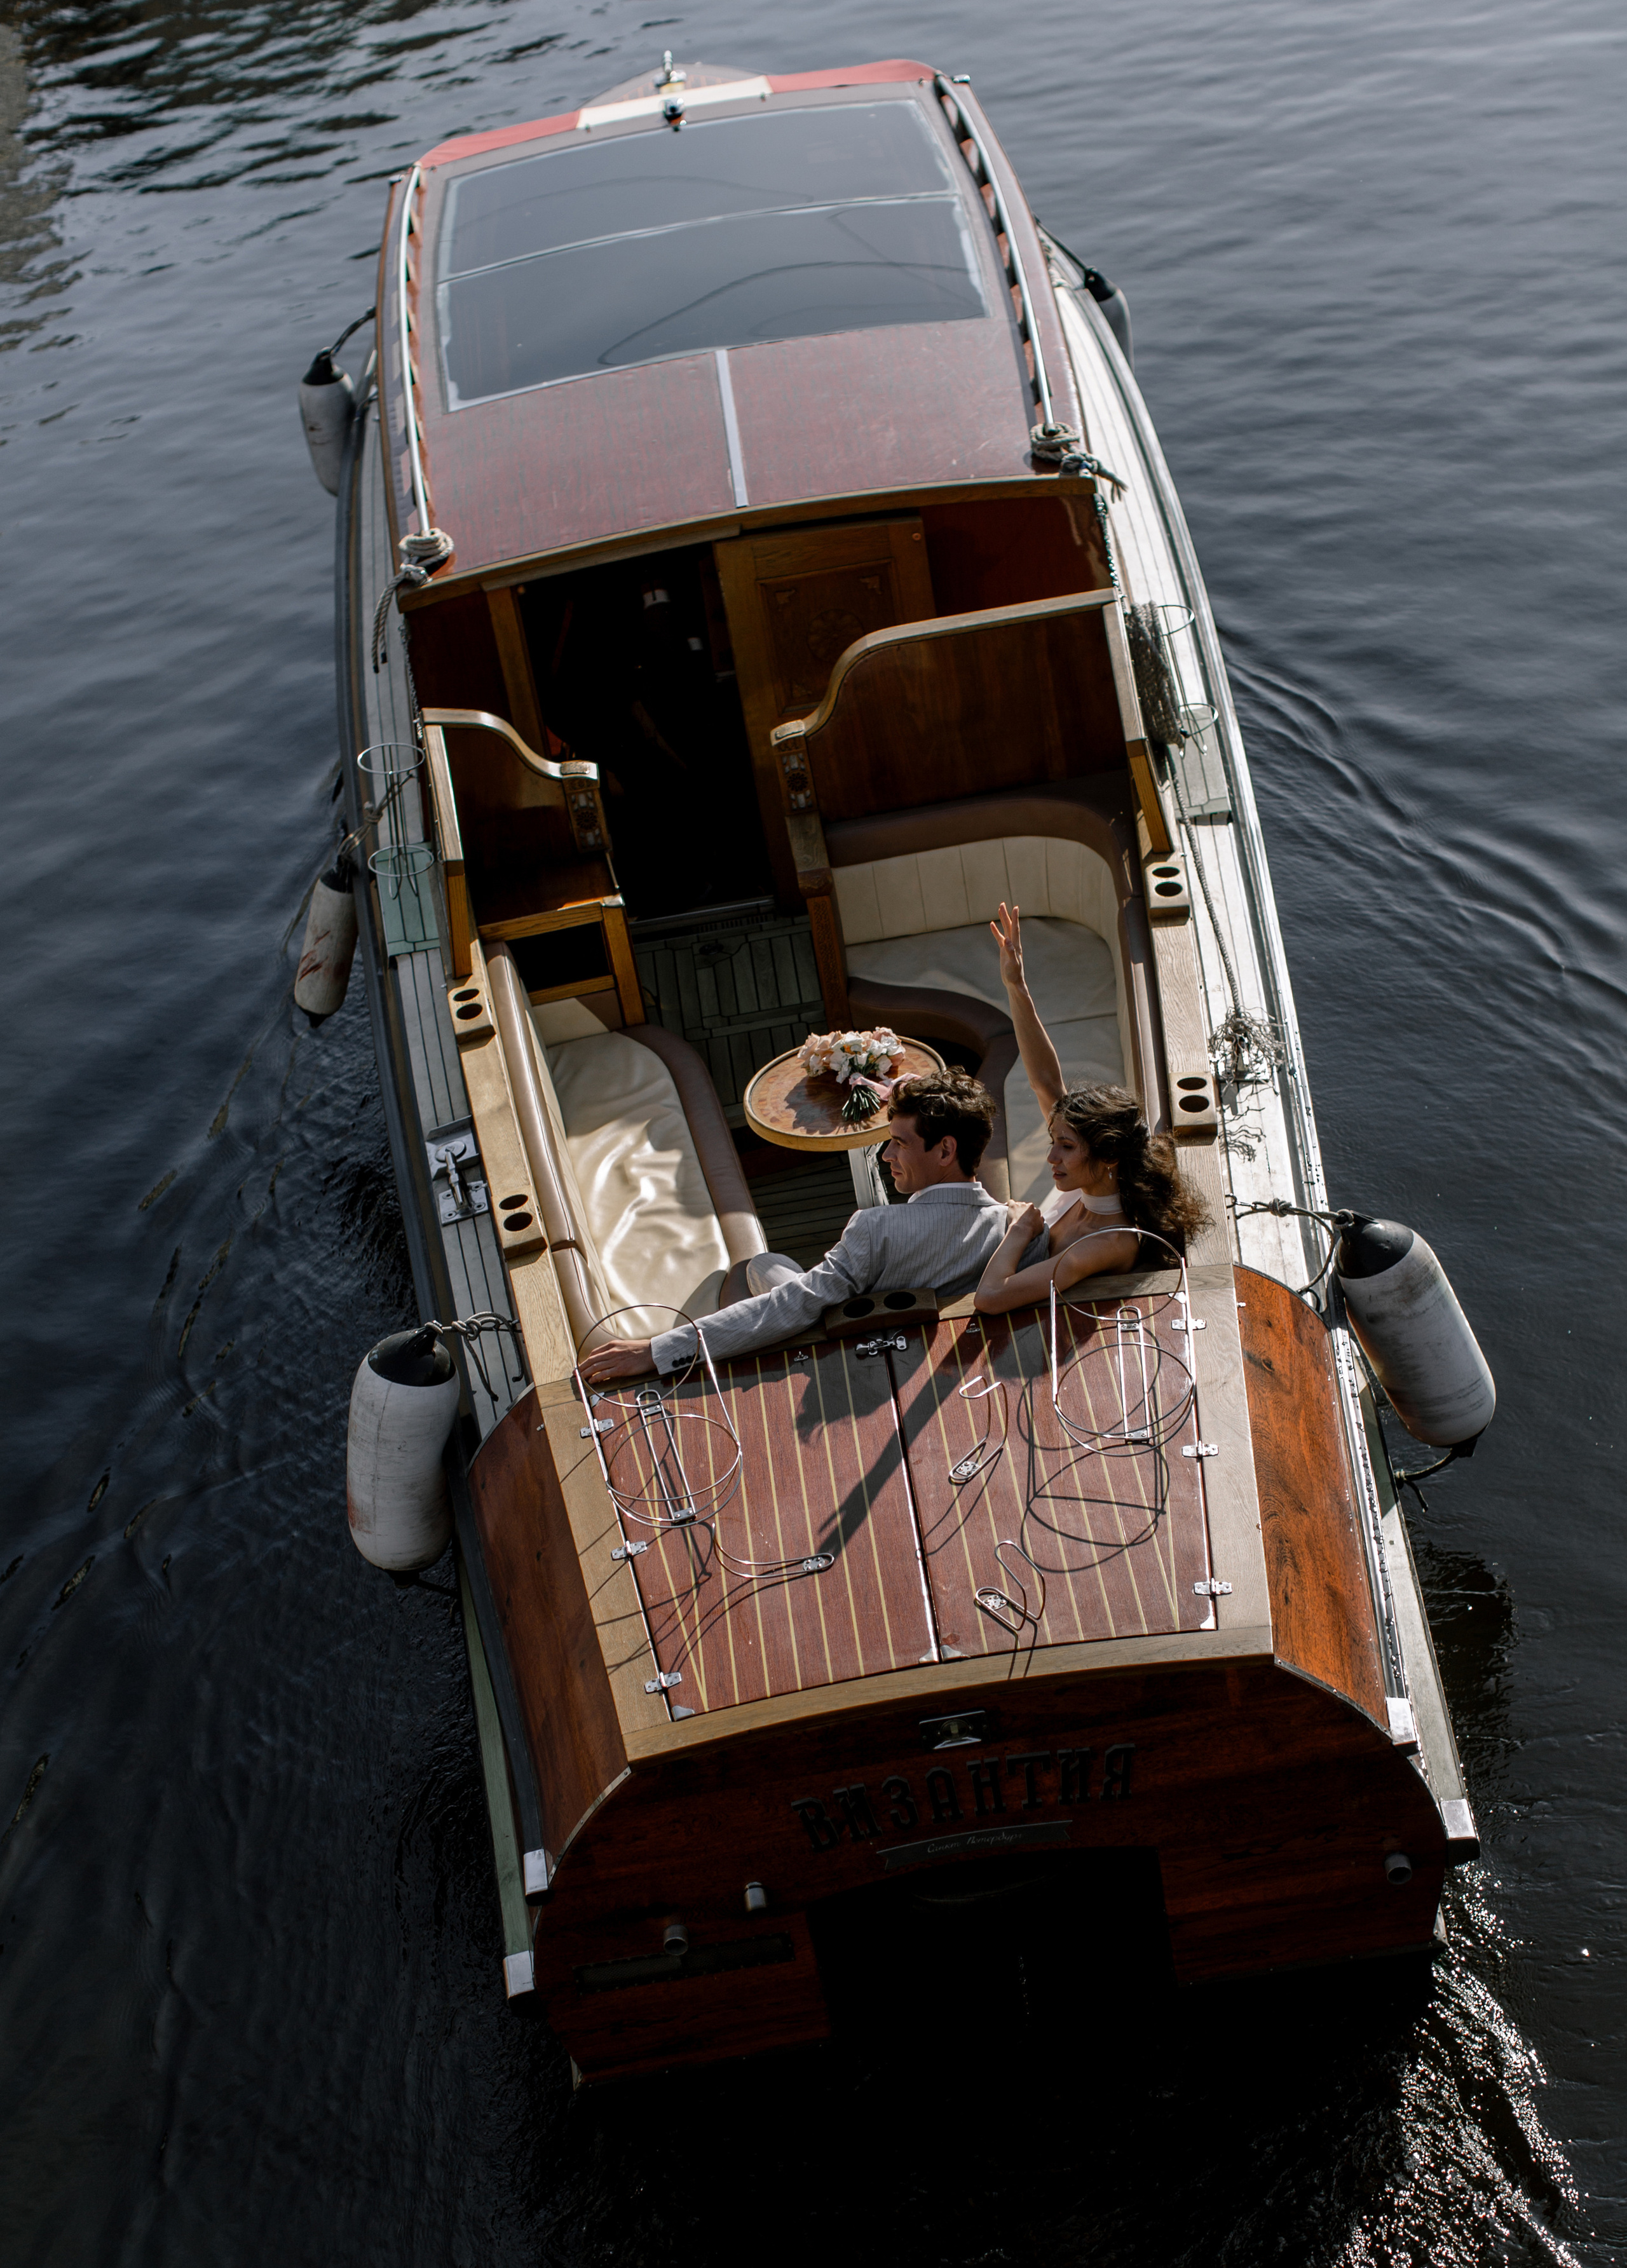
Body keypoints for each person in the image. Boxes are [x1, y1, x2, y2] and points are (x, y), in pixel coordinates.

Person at [579, 1068, 1048, 1382]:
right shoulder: (1016, 1230)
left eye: (899, 1144)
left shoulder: (875, 1229)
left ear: (946, 1151)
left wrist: (656, 1351)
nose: (886, 1156)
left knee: (763, 1264)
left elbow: (794, 1304)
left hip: (851, 1366)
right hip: (947, 1370)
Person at [974, 901, 1209, 1313]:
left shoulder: (1106, 1244)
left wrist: (1019, 1227)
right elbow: (1045, 1080)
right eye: (1055, 1141)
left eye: (1065, 1145)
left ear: (1108, 1155)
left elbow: (992, 1298)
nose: (1051, 1156)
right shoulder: (1086, 1189)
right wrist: (1016, 985)